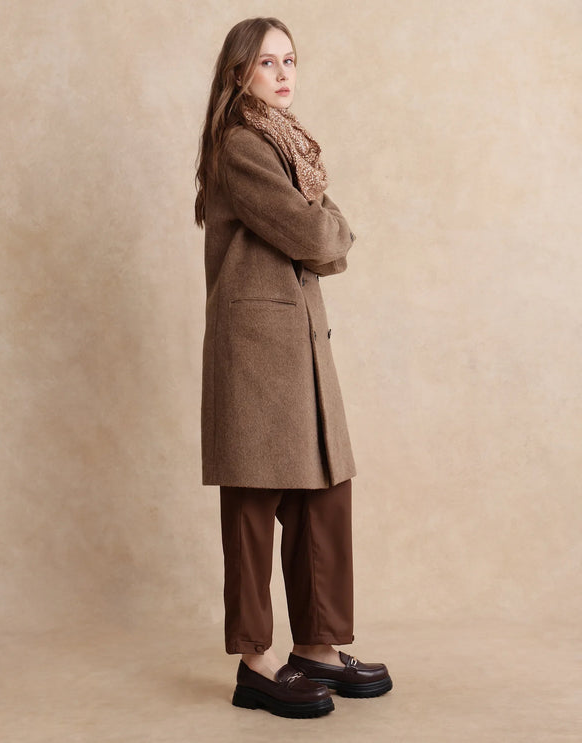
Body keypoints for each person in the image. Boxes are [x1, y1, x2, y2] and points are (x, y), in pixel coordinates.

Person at [194, 17, 392, 719]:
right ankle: (256, 662)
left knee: (323, 494)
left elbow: (317, 237)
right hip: (256, 351)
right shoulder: (242, 145)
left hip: (299, 345)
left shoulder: (287, 143)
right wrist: (330, 226)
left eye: (290, 60)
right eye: (266, 62)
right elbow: (317, 233)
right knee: (255, 502)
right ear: (238, 73)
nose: (283, 74)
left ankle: (317, 646)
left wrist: (324, 230)